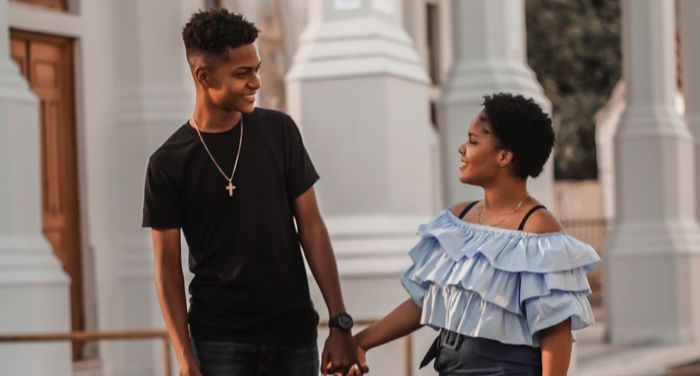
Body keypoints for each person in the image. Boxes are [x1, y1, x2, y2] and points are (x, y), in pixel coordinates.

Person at [142, 9, 363, 376]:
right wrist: (184, 355)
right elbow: (166, 269)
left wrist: (340, 322)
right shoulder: (167, 163)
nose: (256, 82)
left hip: (293, 336)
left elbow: (312, 228)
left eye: (256, 69)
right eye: (242, 73)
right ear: (203, 76)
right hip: (219, 342)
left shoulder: (280, 132)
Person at [353, 93, 600, 375]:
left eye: (472, 141)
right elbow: (426, 301)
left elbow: (555, 330)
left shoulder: (537, 229)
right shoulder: (458, 220)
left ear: (504, 156)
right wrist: (361, 342)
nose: (462, 149)